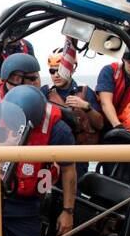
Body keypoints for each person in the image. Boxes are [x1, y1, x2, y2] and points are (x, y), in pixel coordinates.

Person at [0, 85, 77, 236]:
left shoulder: (59, 130)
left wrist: (68, 211)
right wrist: (4, 146)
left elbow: (69, 169)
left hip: (26, 204)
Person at [43, 47, 103, 178]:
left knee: (76, 192)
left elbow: (100, 125)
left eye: (60, 70)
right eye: (52, 71)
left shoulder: (86, 92)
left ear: (73, 68)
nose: (56, 75)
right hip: (52, 154)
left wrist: (87, 107)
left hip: (78, 155)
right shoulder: (44, 93)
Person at [94, 49, 130, 136]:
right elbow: (105, 102)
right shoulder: (109, 71)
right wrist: (118, 126)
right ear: (123, 59)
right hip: (101, 120)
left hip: (128, 126)